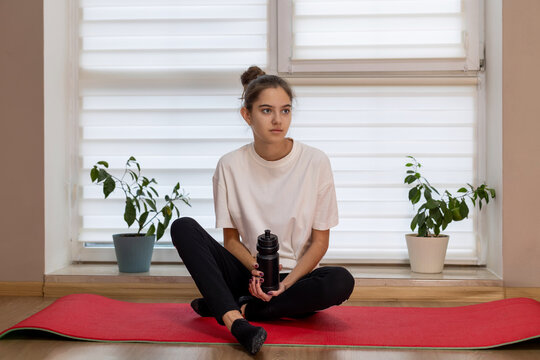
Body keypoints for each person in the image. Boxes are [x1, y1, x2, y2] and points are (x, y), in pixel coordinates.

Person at [170, 66, 354, 354]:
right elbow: (230, 240)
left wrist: (284, 284)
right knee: (183, 227)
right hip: (248, 271)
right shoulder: (229, 165)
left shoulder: (316, 162)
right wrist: (256, 271)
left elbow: (320, 242)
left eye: (285, 110)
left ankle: (240, 306)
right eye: (267, 111)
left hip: (295, 282)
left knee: (341, 280)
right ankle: (237, 323)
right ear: (247, 114)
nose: (278, 120)